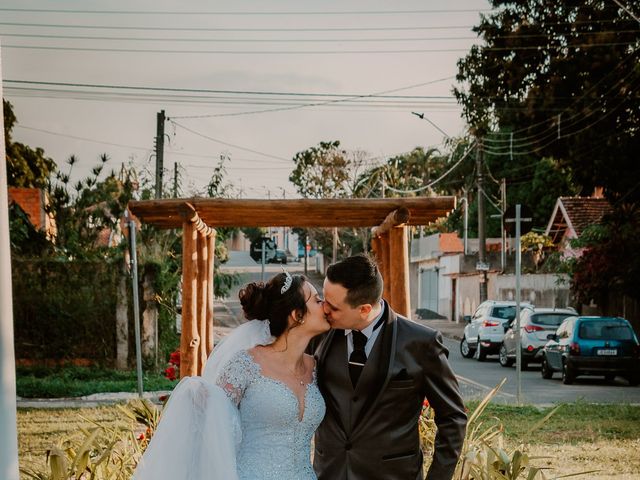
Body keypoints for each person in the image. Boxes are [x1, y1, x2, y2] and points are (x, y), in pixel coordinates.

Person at [133, 271, 330, 480]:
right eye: (317, 300)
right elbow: (212, 427)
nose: (325, 305)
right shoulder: (246, 364)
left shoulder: (315, 367)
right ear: (297, 315)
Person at [313, 254, 467, 480]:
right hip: (329, 472)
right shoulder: (319, 332)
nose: (324, 309)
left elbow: (453, 417)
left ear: (364, 309)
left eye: (333, 307)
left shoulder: (421, 343)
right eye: (323, 299)